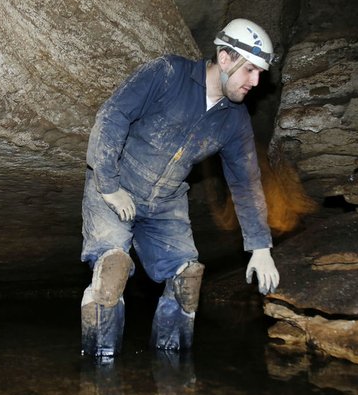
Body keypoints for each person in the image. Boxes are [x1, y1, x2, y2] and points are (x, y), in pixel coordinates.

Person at [80, 18, 280, 358]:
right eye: (250, 70)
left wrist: (260, 247)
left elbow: (246, 181)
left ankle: (172, 371)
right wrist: (109, 184)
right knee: (112, 270)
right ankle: (100, 373)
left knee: (187, 279)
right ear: (226, 58)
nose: (256, 81)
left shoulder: (235, 119)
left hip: (166, 202)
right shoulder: (169, 73)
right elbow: (112, 116)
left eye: (260, 72)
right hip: (118, 185)